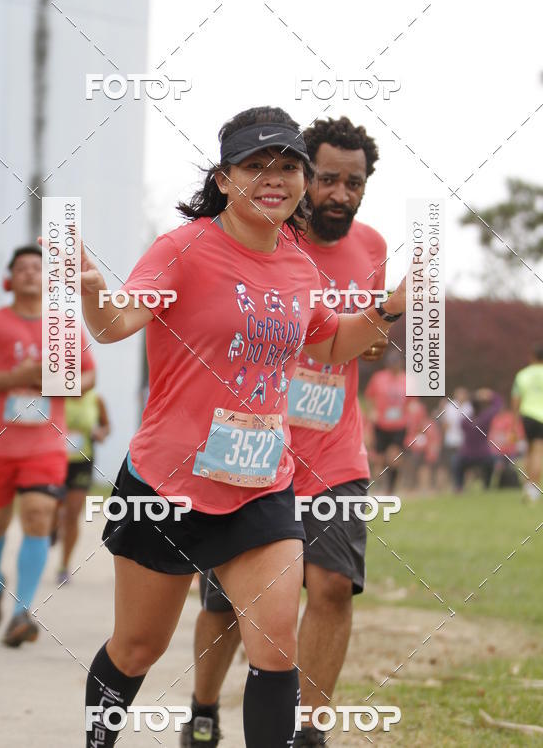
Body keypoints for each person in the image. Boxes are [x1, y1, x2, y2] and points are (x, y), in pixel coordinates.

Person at [79, 106, 406, 748]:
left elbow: (333, 345)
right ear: (225, 179)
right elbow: (115, 324)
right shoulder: (185, 247)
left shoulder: (296, 263)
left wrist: (393, 308)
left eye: (287, 166)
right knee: (138, 646)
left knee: (276, 645)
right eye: (255, 166)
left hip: (261, 483)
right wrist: (94, 295)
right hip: (168, 484)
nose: (273, 179)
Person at [180, 114, 389, 748]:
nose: (340, 196)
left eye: (354, 184)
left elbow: (358, 337)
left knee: (332, 586)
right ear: (302, 177)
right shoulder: (261, 237)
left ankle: (309, 729)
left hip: (335, 452)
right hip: (252, 449)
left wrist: (372, 332)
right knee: (223, 606)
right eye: (327, 179)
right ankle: (204, 706)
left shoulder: (373, 247)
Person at [0, 245, 96, 646]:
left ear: (47, 279)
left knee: (40, 515)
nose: (28, 273)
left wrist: (59, 383)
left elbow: (90, 377)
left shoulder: (63, 325)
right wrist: (17, 376)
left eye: (36, 268)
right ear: (10, 278)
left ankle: (23, 612)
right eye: (20, 267)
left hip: (45, 444)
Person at [56, 390, 110, 584]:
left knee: (72, 514)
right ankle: (53, 527)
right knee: (52, 509)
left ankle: (64, 565)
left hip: (82, 462)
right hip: (54, 459)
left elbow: (106, 427)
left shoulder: (96, 399)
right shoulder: (56, 396)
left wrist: (100, 433)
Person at [364, 350, 408, 492]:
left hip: (399, 425)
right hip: (381, 425)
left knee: (394, 457)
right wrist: (372, 411)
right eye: (392, 364)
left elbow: (412, 402)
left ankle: (391, 489)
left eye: (397, 363)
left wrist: (409, 413)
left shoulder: (406, 379)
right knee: (380, 459)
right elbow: (369, 396)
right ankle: (377, 486)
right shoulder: (379, 378)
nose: (394, 366)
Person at [454, 388, 502, 491]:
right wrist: (490, 394)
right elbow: (498, 405)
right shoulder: (486, 418)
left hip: (466, 455)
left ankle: (459, 486)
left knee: (456, 462)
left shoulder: (465, 421)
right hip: (484, 455)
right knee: (493, 461)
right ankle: (487, 485)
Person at [511, 346, 543, 501]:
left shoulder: (522, 375)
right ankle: (534, 487)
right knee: (538, 451)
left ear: (532, 357)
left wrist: (514, 422)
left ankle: (528, 485)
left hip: (527, 415)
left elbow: (516, 399)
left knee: (529, 451)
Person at [436, 387, 472, 488]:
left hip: (464, 440)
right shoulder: (449, 406)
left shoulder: (469, 407)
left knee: (464, 464)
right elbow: (445, 423)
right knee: (451, 463)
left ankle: (464, 484)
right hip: (451, 440)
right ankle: (449, 484)